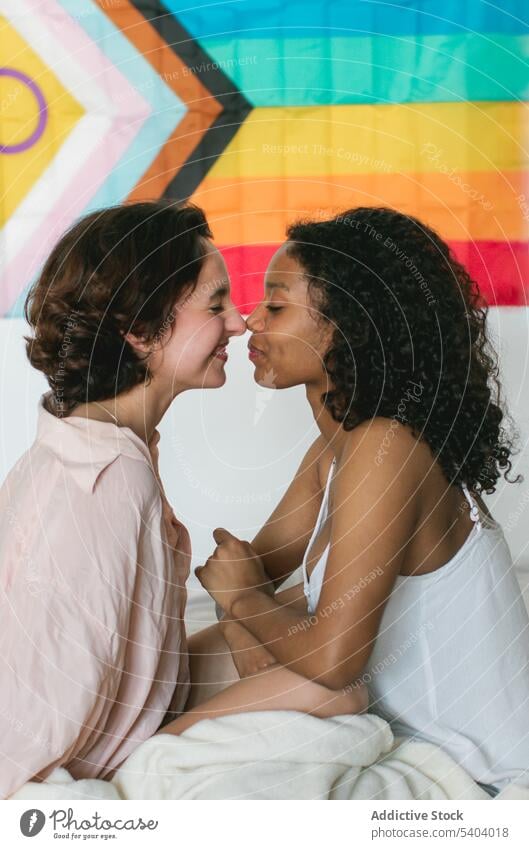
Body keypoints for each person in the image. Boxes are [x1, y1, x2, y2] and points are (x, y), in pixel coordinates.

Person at [165, 207, 529, 796]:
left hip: (482, 774)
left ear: (348, 325)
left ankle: (137, 762)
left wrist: (242, 600)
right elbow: (243, 566)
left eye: (276, 306)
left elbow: (335, 661)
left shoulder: (387, 447)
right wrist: (241, 607)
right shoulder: (334, 451)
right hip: (402, 733)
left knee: (185, 729)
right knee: (180, 666)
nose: (251, 321)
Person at [0, 200, 246, 798]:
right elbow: (40, 725)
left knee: (319, 663)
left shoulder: (107, 447)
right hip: (62, 777)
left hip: (138, 718)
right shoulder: (107, 480)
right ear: (138, 330)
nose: (239, 323)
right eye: (216, 305)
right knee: (331, 697)